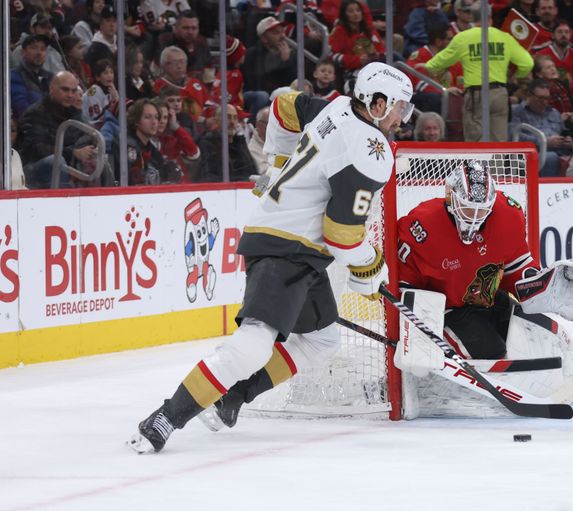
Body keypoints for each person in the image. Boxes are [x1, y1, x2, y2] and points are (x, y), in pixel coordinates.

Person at [126, 62, 414, 453]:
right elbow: (342, 234)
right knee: (253, 346)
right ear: (376, 102)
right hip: (287, 244)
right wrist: (371, 266)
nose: (403, 117)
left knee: (321, 341)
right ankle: (163, 419)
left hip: (298, 245)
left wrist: (277, 164)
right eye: (399, 107)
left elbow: (282, 106)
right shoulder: (372, 152)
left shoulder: (338, 107)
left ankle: (235, 395)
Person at [392, 161, 573, 405]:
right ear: (450, 197)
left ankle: (560, 375)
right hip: (447, 310)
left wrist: (538, 285)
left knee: (536, 331)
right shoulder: (422, 226)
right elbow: (403, 279)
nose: (474, 217)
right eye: (468, 208)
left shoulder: (509, 214)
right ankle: (437, 386)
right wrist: (417, 325)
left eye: (482, 211)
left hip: (488, 298)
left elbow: (517, 267)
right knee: (490, 350)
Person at [426, 3, 533, 142]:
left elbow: (432, 65)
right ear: (490, 17)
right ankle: (497, 165)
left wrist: (444, 80)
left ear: (471, 17)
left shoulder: (463, 38)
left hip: (476, 95)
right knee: (499, 144)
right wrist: (515, 76)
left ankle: (477, 165)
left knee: (476, 145)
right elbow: (527, 63)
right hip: (500, 94)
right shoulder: (505, 37)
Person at [17, 71, 97, 189]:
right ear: (51, 89)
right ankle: (64, 202)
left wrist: (89, 150)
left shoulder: (73, 111)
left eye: (74, 91)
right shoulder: (35, 114)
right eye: (65, 90)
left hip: (66, 165)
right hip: (30, 171)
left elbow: (89, 136)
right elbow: (37, 149)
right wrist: (74, 153)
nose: (70, 95)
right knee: (56, 161)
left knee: (99, 160)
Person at [510, 79, 572, 177]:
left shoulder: (554, 112)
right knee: (550, 157)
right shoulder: (518, 112)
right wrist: (543, 142)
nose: (544, 102)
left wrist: (567, 141)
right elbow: (514, 135)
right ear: (529, 96)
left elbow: (562, 131)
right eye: (540, 98)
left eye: (547, 98)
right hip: (532, 153)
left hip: (559, 151)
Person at [113, 98, 182, 185]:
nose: (154, 122)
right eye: (147, 117)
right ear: (136, 121)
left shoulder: (152, 149)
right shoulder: (125, 145)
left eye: (156, 117)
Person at [197, 105, 259, 182]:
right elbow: (210, 178)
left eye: (235, 118)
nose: (232, 122)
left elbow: (254, 172)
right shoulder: (208, 144)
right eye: (228, 117)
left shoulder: (240, 142)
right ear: (217, 121)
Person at [243, 16, 298, 96]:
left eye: (282, 31)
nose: (282, 36)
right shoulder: (252, 54)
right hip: (262, 96)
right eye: (276, 33)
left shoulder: (290, 54)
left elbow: (294, 83)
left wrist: (286, 62)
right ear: (264, 38)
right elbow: (255, 82)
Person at [10, 34, 53, 119]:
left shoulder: (50, 77)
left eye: (43, 49)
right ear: (23, 52)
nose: (39, 53)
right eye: (34, 48)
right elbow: (22, 109)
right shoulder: (14, 76)